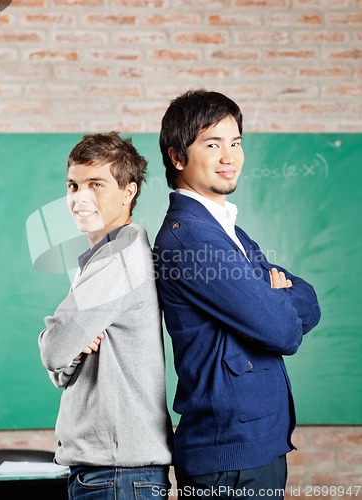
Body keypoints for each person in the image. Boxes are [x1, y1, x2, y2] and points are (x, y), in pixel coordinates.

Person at [153, 90, 321, 499]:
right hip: (228, 456)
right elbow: (283, 330)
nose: (230, 156)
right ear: (178, 157)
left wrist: (271, 298)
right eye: (213, 144)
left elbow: (310, 300)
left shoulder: (227, 230)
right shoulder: (193, 239)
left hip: (252, 446)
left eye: (236, 142)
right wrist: (272, 297)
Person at [38, 132, 173, 499]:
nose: (80, 197)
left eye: (96, 184)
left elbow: (54, 349)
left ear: (128, 191)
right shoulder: (106, 254)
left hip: (117, 475)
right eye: (73, 184)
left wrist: (64, 345)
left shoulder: (122, 257)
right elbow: (63, 364)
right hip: (111, 472)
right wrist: (72, 349)